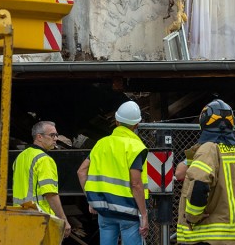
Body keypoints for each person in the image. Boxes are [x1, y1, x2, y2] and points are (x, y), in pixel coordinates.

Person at [177, 99, 235, 245]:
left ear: (204, 122)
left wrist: (192, 217)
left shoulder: (209, 149)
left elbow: (200, 184)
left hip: (209, 239)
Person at [77, 101, 149, 245]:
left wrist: (92, 200)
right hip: (129, 211)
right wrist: (144, 214)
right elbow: (136, 184)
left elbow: (81, 171)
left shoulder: (101, 144)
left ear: (116, 121)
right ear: (137, 124)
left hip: (104, 210)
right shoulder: (136, 147)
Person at [12, 120, 71, 238]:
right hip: (40, 218)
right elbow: (50, 194)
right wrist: (63, 220)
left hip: (19, 215)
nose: (55, 139)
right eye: (52, 135)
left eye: (56, 135)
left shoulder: (21, 156)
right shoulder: (44, 160)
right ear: (39, 137)